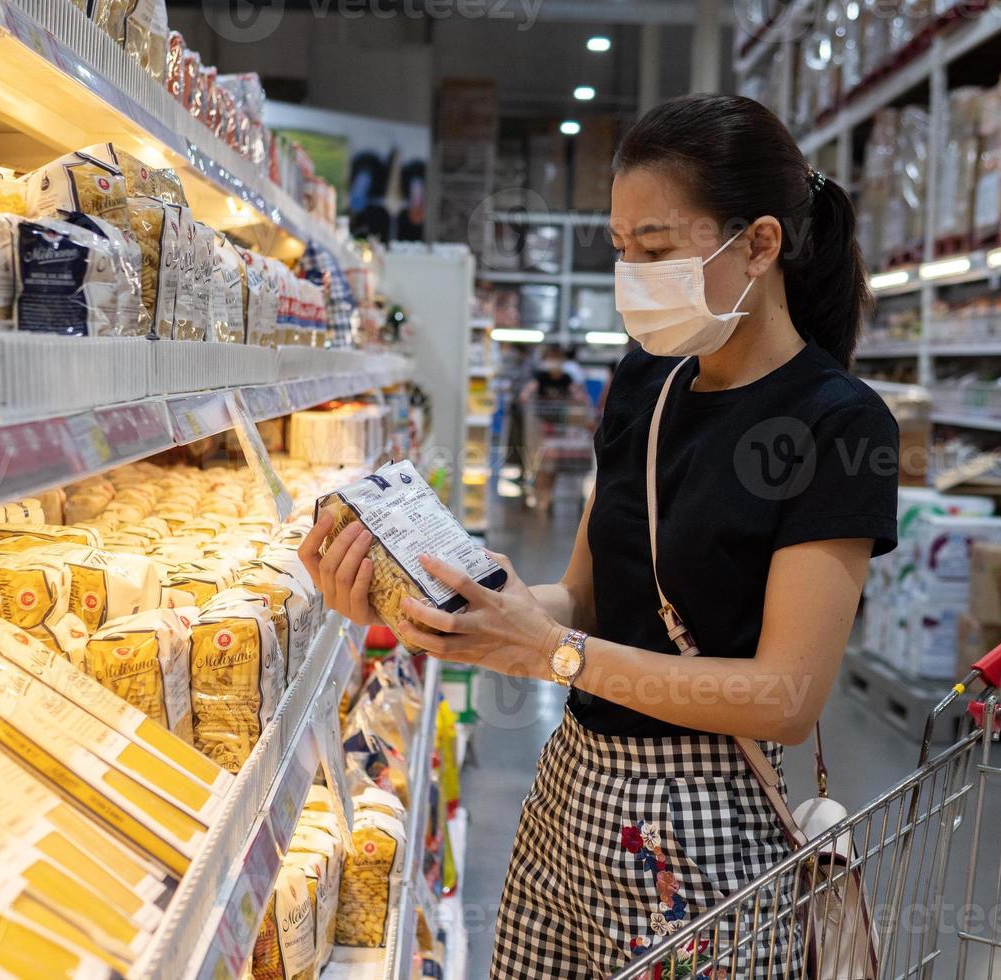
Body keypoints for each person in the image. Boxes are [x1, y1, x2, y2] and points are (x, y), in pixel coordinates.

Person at [301, 93, 898, 978]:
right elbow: (580, 595)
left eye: (655, 249)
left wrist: (554, 654)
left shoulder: (838, 424)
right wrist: (445, 600)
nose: (633, 274)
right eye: (621, 250)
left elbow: (785, 695)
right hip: (571, 788)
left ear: (760, 244)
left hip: (702, 826)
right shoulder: (644, 382)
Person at [518, 347, 592, 514]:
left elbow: (577, 392)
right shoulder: (541, 377)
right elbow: (529, 389)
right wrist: (525, 395)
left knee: (553, 464)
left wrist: (582, 401)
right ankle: (543, 496)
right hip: (541, 426)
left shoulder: (567, 378)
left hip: (560, 427)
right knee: (544, 465)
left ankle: (546, 497)